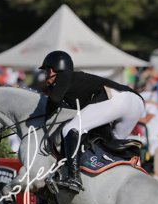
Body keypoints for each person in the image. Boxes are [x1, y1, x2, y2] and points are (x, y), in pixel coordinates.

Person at [40, 50, 145, 192]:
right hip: (136, 102)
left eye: (46, 71)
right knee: (112, 143)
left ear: (54, 70)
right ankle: (130, 166)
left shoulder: (63, 76)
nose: (45, 75)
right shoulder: (75, 80)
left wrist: (45, 118)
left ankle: (74, 177)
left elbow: (54, 100)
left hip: (116, 98)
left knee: (71, 129)